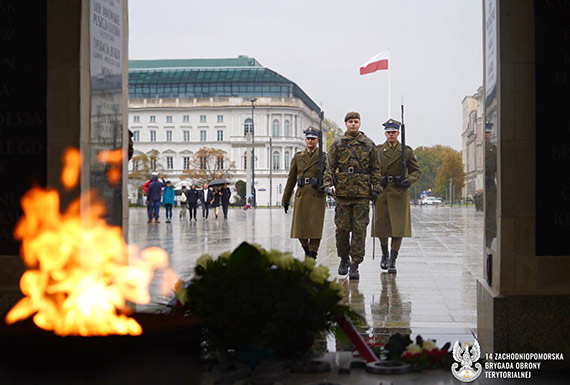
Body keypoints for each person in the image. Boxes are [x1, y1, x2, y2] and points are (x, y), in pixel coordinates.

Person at [324, 112, 382, 279]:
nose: (353, 124)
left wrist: (377, 188)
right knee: (342, 229)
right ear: (346, 124)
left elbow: (376, 169)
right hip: (342, 194)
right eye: (350, 122)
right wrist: (328, 185)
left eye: (356, 121)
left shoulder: (369, 145)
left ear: (360, 123)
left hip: (362, 194)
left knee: (359, 230)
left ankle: (355, 264)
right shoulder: (338, 144)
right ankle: (343, 258)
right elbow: (329, 167)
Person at [373, 119, 422, 274]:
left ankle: (393, 259)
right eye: (388, 132)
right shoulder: (378, 150)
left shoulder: (406, 151)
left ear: (398, 133)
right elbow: (372, 170)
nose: (391, 135)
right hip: (383, 191)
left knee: (397, 228)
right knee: (382, 227)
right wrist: (375, 185)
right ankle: (385, 254)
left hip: (399, 192)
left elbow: (416, 171)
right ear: (385, 133)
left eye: (393, 132)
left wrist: (409, 180)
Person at [281, 127, 327, 259]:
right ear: (305, 140)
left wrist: (324, 185)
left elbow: (329, 175)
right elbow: (291, 179)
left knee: (315, 229)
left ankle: (313, 253)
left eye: (313, 139)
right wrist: (285, 199)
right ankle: (306, 249)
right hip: (302, 194)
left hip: (316, 195)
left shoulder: (323, 157)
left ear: (318, 140)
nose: (310, 141)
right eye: (308, 138)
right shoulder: (298, 157)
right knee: (299, 229)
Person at [484, 121, 497, 248]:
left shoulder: (494, 148)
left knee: (491, 212)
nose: (487, 135)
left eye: (488, 132)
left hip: (491, 184)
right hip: (484, 182)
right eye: (485, 132)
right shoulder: (481, 147)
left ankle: (490, 236)